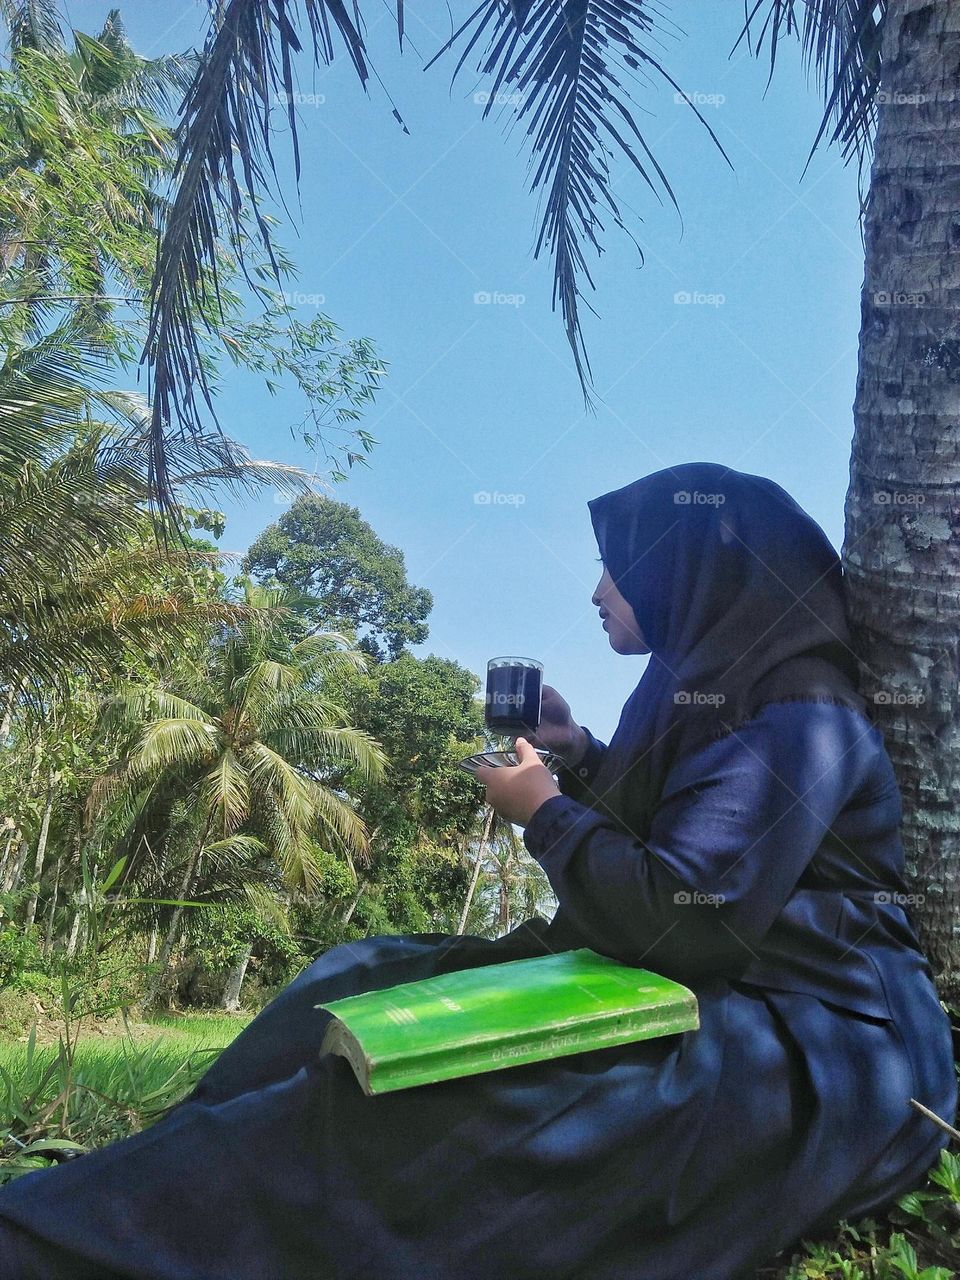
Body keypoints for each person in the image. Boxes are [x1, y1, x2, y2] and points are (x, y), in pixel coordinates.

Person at [0, 461, 955, 1280]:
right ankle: (168, 1167)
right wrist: (576, 751)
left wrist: (542, 812)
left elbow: (686, 914)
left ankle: (70, 1238)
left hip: (810, 1037)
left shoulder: (801, 712)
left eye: (618, 571)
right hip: (676, 983)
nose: (599, 594)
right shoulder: (699, 682)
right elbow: (677, 827)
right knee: (355, 978)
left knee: (409, 1117)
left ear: (686, 567)